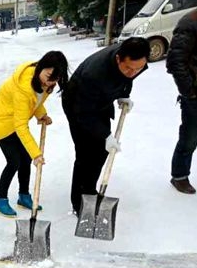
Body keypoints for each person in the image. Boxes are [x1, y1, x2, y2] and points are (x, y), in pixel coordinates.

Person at [62, 37, 150, 215]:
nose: (133, 72)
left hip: (101, 100)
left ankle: (90, 189)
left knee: (102, 150)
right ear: (118, 58)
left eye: (138, 68)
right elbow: (84, 113)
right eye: (128, 68)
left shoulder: (133, 60)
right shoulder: (94, 74)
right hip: (78, 104)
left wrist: (124, 94)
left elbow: (127, 78)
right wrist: (105, 135)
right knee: (85, 153)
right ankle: (78, 201)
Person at [0, 51, 69, 217]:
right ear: (41, 67)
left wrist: (41, 114)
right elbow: (21, 124)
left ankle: (23, 196)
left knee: (24, 159)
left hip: (16, 118)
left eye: (55, 79)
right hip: (2, 121)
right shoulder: (23, 89)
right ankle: (1, 200)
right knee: (14, 161)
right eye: (48, 75)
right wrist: (36, 154)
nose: (50, 81)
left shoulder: (45, 82)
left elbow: (36, 100)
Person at [166, 0, 197, 194]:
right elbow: (175, 61)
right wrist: (190, 92)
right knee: (189, 138)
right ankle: (180, 176)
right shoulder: (192, 21)